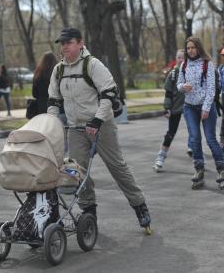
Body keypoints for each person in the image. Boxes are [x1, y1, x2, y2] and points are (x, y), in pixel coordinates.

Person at [47, 27, 151, 231]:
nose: (64, 47)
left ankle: (140, 205)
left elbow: (109, 95)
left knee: (117, 167)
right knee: (76, 172)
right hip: (76, 129)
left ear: (79, 43)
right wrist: (50, 123)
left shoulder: (92, 65)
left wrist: (97, 120)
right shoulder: (58, 70)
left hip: (101, 126)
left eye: (68, 42)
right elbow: (54, 100)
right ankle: (89, 213)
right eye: (62, 43)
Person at [177, 36, 224, 190]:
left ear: (198, 48)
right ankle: (199, 170)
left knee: (210, 140)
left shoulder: (207, 64)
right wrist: (183, 87)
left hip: (206, 107)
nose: (190, 50)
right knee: (194, 139)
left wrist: (206, 108)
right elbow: (178, 84)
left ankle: (222, 171)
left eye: (193, 47)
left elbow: (211, 89)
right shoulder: (184, 65)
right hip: (189, 107)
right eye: (188, 48)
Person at [153, 49, 192, 172]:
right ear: (176, 59)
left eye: (183, 58)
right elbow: (168, 94)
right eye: (179, 57)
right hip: (175, 108)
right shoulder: (173, 74)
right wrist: (167, 108)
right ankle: (161, 157)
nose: (181, 60)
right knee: (171, 133)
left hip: (189, 106)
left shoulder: (191, 73)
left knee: (194, 131)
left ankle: (196, 156)